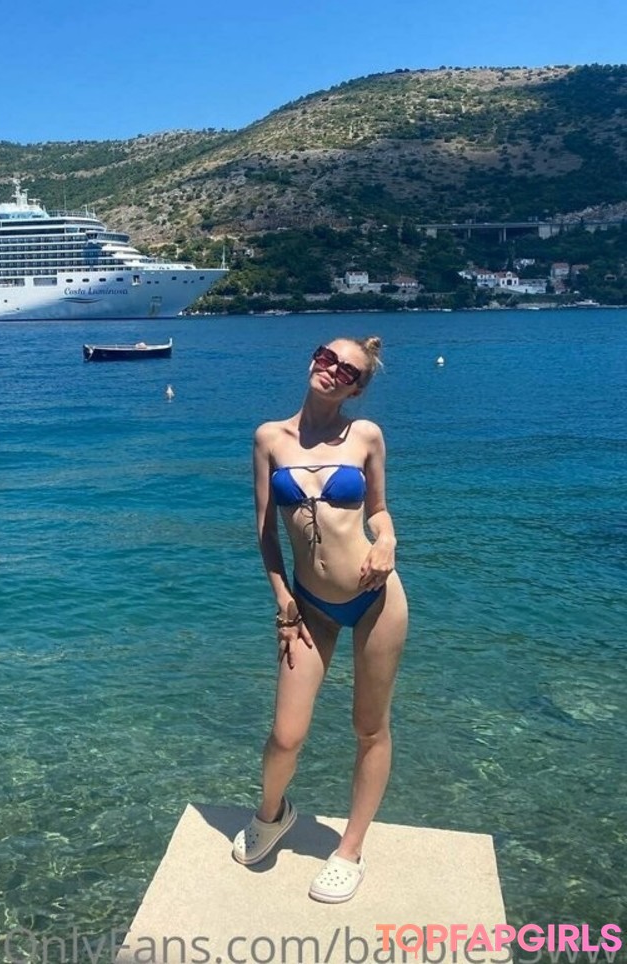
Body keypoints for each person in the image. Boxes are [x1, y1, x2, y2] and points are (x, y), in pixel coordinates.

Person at [231, 337, 407, 904]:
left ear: (356, 388)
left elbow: (378, 510)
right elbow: (265, 531)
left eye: (346, 371)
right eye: (326, 358)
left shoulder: (366, 436)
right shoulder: (268, 437)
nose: (331, 370)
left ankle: (349, 850)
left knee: (369, 728)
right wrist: (282, 598)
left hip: (376, 599)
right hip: (308, 605)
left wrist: (388, 542)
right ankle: (272, 813)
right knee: (286, 735)